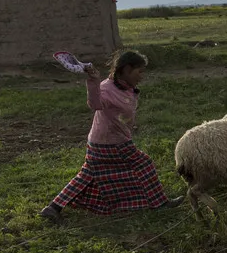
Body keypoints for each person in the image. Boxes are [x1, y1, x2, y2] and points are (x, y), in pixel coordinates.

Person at [39, 50, 183, 222]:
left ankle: (54, 207)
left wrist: (128, 124)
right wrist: (92, 81)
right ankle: (160, 203)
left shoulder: (125, 87)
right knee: (143, 164)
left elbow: (123, 111)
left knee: (88, 174)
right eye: (140, 71)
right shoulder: (107, 88)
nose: (142, 76)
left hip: (105, 139)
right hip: (110, 142)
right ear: (127, 69)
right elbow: (95, 104)